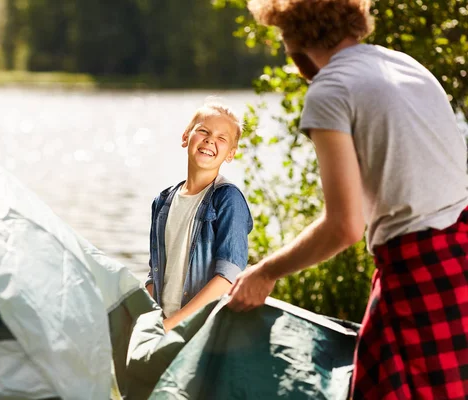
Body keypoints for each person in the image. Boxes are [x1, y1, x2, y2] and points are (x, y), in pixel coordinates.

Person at [227, 1, 468, 399]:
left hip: (417, 266)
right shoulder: (405, 64)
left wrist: (265, 271)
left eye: (283, 36)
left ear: (294, 35)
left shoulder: (331, 88)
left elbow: (344, 226)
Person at [146, 101, 253, 332]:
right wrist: (143, 320)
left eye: (221, 138)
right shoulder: (163, 201)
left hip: (203, 331)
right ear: (186, 137)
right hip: (163, 324)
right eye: (203, 131)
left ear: (231, 154)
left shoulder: (228, 199)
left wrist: (173, 324)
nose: (210, 140)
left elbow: (229, 276)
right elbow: (154, 273)